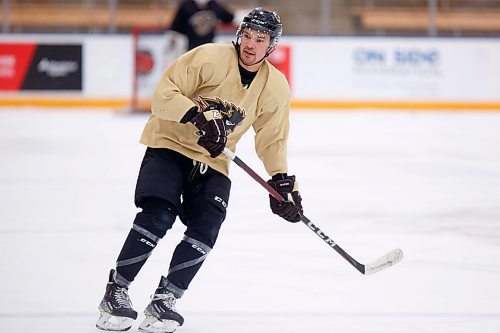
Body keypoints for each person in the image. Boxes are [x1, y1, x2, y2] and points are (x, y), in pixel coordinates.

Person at [96, 7, 304, 333]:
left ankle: (166, 299)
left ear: (271, 45)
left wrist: (280, 180)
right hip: (169, 144)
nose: (250, 44)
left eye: (259, 39)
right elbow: (163, 96)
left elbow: (272, 139)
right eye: (247, 35)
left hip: (215, 160)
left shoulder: (274, 87)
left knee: (207, 227)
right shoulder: (208, 57)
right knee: (158, 214)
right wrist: (194, 114)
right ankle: (116, 291)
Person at [170, 0, 234, 50]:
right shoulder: (186, 5)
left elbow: (229, 18)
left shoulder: (214, 5)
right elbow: (176, 27)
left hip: (209, 45)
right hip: (191, 46)